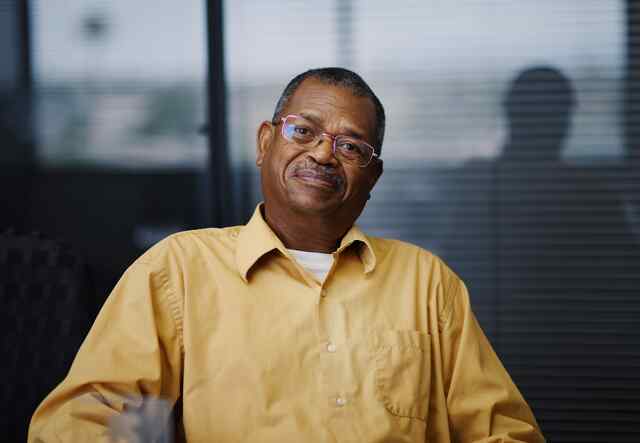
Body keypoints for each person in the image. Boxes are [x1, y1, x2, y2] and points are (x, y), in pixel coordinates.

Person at [29, 67, 544, 442]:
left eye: (351, 146)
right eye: (305, 131)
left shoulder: (427, 284)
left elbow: (504, 433)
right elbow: (82, 424)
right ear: (264, 143)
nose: (323, 153)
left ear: (373, 177)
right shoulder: (179, 272)